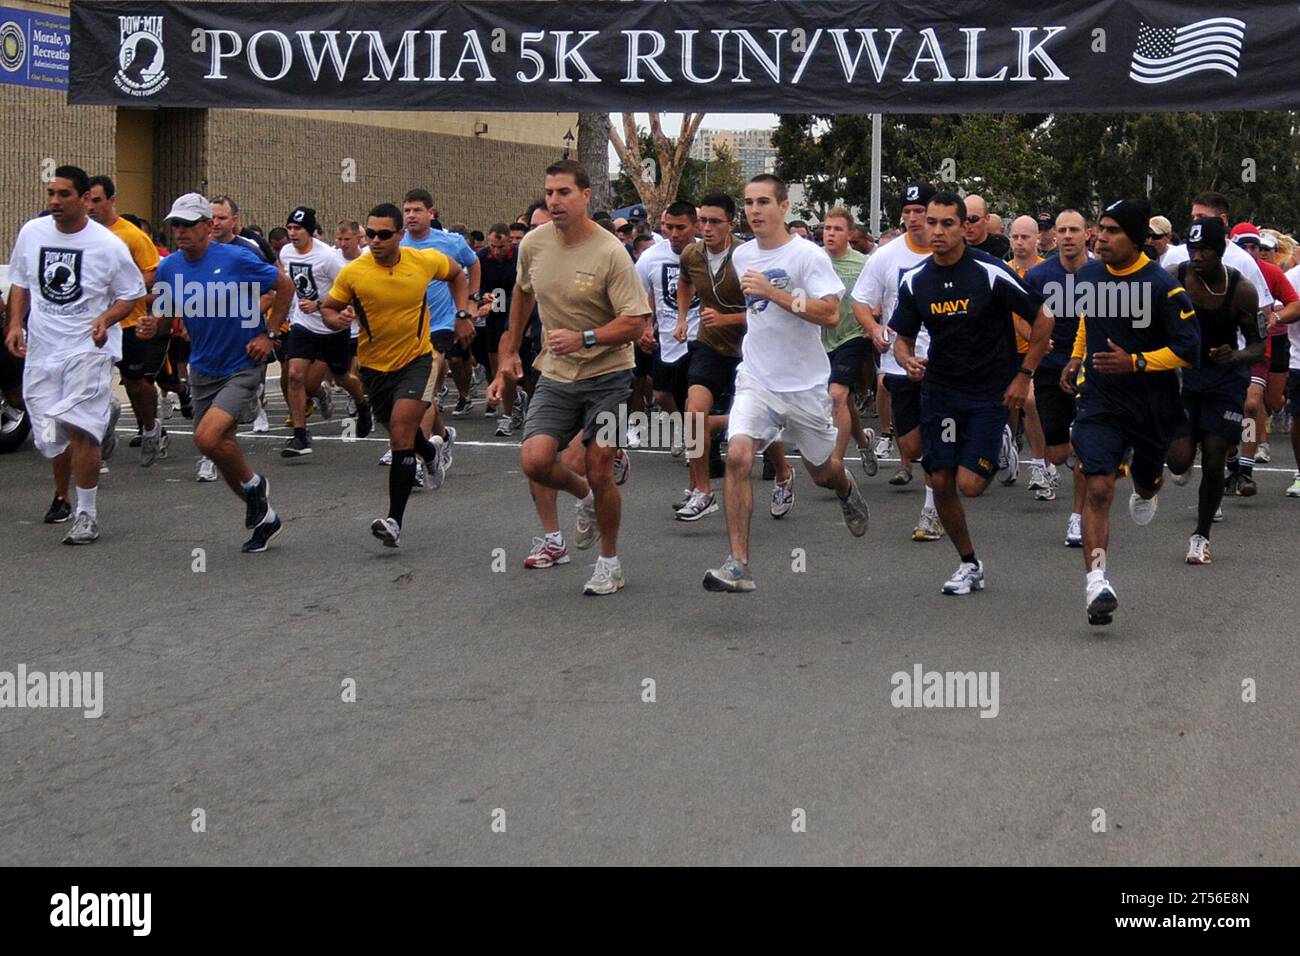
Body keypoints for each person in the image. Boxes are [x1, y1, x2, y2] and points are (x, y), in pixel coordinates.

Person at [701, 174, 869, 593]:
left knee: (822, 474)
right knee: (738, 456)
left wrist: (777, 295)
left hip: (806, 385)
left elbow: (830, 314)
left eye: (763, 202)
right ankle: (738, 563)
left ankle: (847, 487)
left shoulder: (807, 256)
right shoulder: (743, 257)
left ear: (783, 207)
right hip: (757, 377)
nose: (754, 210)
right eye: (748, 203)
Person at [488, 159, 648, 595]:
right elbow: (522, 294)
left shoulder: (610, 251)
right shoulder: (534, 245)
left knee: (600, 465)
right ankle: (589, 499)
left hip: (611, 372)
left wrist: (586, 338)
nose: (554, 201)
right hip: (556, 372)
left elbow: (635, 323)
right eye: (549, 193)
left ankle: (609, 562)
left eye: (564, 193)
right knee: (535, 460)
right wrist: (508, 354)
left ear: (586, 196)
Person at [891, 192, 1053, 596]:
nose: (938, 230)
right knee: (940, 477)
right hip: (941, 391)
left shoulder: (990, 272)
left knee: (970, 485)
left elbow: (1043, 316)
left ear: (965, 228)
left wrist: (1024, 375)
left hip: (988, 394)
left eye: (948, 223)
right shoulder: (915, 280)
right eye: (932, 222)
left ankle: (998, 440)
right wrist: (908, 358)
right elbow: (902, 338)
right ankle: (969, 563)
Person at [1060, 200, 1199, 624]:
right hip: (1099, 401)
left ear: (1136, 238)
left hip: (1151, 406)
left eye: (1113, 230)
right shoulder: (1088, 274)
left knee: (1156, 474)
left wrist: (1136, 361)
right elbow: (1088, 318)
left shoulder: (1164, 287)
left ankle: (1148, 486)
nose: (1101, 237)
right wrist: (1076, 356)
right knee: (1099, 487)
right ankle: (1096, 583)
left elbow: (1188, 351)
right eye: (1099, 228)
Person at [4, 165, 147, 543]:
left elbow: (131, 293)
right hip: (43, 348)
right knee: (50, 432)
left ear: (84, 200)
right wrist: (15, 324)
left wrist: (106, 318)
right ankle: (102, 422)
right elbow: (20, 281)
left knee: (81, 427)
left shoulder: (108, 245)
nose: (54, 201)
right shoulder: (32, 234)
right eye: (51, 193)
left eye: (64, 194)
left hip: (89, 348)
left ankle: (86, 514)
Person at [148, 192, 294, 551]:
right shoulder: (170, 267)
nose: (179, 231)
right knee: (220, 446)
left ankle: (256, 487)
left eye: (186, 224)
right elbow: (166, 317)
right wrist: (153, 327)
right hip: (203, 368)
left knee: (207, 439)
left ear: (206, 226)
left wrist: (269, 335)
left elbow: (284, 285)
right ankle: (264, 516)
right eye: (174, 225)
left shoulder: (236, 258)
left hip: (242, 364)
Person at [319, 202, 470, 547]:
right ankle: (432, 454)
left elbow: (458, 275)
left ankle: (394, 522)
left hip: (418, 359)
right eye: (369, 234)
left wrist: (463, 312)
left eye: (384, 234)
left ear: (400, 235)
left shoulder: (424, 260)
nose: (375, 240)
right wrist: (336, 319)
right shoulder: (355, 272)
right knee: (402, 434)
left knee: (401, 433)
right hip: (374, 367)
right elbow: (329, 307)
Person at [1164, 218, 1263, 563]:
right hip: (1185, 379)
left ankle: (1200, 536)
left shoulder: (1241, 290)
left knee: (1215, 454)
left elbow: (1257, 346)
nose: (1197, 256)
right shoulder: (1175, 277)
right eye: (1193, 249)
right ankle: (1183, 458)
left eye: (1204, 249)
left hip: (1225, 381)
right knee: (1176, 461)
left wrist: (1233, 355)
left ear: (1220, 250)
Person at [852, 181, 945, 541]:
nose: (912, 218)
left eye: (919, 211)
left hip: (943, 363)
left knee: (938, 439)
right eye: (906, 212)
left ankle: (931, 509)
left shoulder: (951, 253)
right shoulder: (885, 257)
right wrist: (875, 328)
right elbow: (861, 301)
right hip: (898, 362)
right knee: (911, 446)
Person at [673, 192, 749, 520]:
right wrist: (681, 317)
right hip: (710, 344)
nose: (706, 227)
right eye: (702, 220)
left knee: (759, 422)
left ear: (731, 224)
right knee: (693, 414)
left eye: (714, 221)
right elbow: (685, 281)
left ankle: (783, 476)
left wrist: (727, 318)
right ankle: (703, 491)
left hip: (750, 347)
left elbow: (769, 309)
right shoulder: (692, 253)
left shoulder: (749, 256)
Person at [84, 175, 167, 466]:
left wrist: (122, 287)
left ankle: (150, 428)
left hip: (129, 323)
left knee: (135, 385)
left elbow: (153, 272)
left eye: (97, 200)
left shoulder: (131, 235)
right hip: (94, 325)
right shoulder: (81, 235)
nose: (91, 207)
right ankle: (98, 440)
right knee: (91, 385)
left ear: (111, 200)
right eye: (87, 201)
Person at [277, 206, 371, 456]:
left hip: (331, 326)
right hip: (303, 324)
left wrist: (321, 305)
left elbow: (347, 289)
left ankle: (362, 405)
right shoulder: (286, 252)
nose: (293, 233)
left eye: (298, 229)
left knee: (343, 378)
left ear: (310, 232)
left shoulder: (328, 257)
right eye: (290, 228)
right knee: (295, 375)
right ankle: (300, 435)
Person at [1023, 210, 1091, 546]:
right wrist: (1036, 338)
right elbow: (1019, 314)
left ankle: (1078, 517)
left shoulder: (1102, 274)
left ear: (1086, 234)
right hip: (1050, 366)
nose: (1066, 235)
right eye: (1062, 230)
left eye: (1073, 230)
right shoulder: (1038, 275)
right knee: (1059, 452)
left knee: (1085, 446)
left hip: (1090, 368)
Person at [1225, 222, 1300, 494]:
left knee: (1262, 403)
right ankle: (1238, 464)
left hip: (1264, 348)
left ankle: (1244, 468)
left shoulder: (1270, 272)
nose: (1250, 252)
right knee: (1242, 409)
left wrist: (1275, 316)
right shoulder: (1215, 271)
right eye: (1243, 246)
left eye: (1255, 247)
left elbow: (1295, 303)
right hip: (1223, 352)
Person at [635, 201, 700, 446]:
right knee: (661, 394)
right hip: (667, 336)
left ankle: (699, 443)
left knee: (695, 396)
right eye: (668, 227)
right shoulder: (651, 258)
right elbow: (636, 298)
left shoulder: (706, 253)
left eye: (681, 227)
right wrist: (645, 328)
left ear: (695, 226)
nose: (674, 234)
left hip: (700, 337)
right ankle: (685, 429)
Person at [819, 207, 876, 473]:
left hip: (853, 336)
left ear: (850, 233)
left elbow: (879, 300)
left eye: (837, 229)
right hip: (820, 339)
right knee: (845, 401)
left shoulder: (864, 264)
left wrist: (874, 324)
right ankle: (864, 444)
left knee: (837, 395)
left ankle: (837, 462)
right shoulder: (813, 260)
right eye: (828, 228)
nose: (830, 234)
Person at [962, 195, 1010, 260]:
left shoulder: (1003, 249)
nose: (967, 225)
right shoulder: (952, 247)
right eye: (963, 219)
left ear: (986, 219)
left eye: (973, 219)